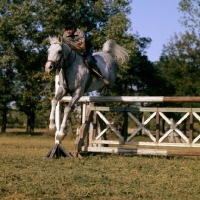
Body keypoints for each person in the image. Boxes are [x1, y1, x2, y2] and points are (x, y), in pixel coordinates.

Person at [62, 20, 108, 85]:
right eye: (67, 29)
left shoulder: (80, 32)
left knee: (89, 60)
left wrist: (72, 47)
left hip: (86, 48)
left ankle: (100, 75)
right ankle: (63, 79)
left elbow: (83, 47)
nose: (68, 31)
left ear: (74, 28)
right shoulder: (65, 35)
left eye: (70, 29)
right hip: (74, 50)